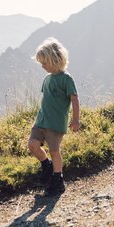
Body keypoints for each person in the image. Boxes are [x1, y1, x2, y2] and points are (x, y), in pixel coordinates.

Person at [28, 37, 80, 196]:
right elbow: (47, 99)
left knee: (54, 151)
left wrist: (76, 119)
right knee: (33, 145)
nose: (42, 66)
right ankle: (46, 165)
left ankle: (58, 179)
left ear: (55, 60)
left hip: (55, 124)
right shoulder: (47, 79)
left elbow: (74, 99)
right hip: (41, 121)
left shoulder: (66, 79)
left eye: (45, 63)